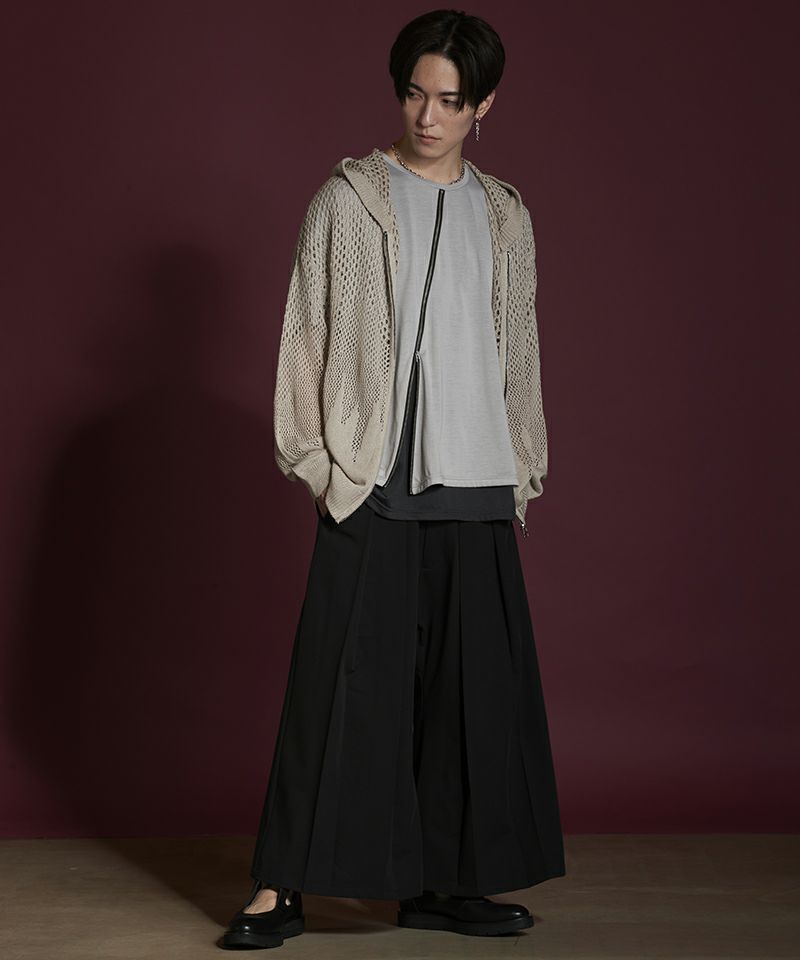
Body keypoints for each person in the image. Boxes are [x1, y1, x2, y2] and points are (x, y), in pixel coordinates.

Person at [219, 8, 565, 951]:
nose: (427, 116)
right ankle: (281, 887)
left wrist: (522, 464)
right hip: (372, 477)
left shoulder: (506, 213)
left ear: (484, 105)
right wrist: (320, 464)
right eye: (415, 94)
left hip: (476, 476)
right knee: (338, 688)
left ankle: (442, 885)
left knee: (469, 695)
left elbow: (520, 349)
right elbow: (305, 335)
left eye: (450, 100)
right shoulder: (349, 200)